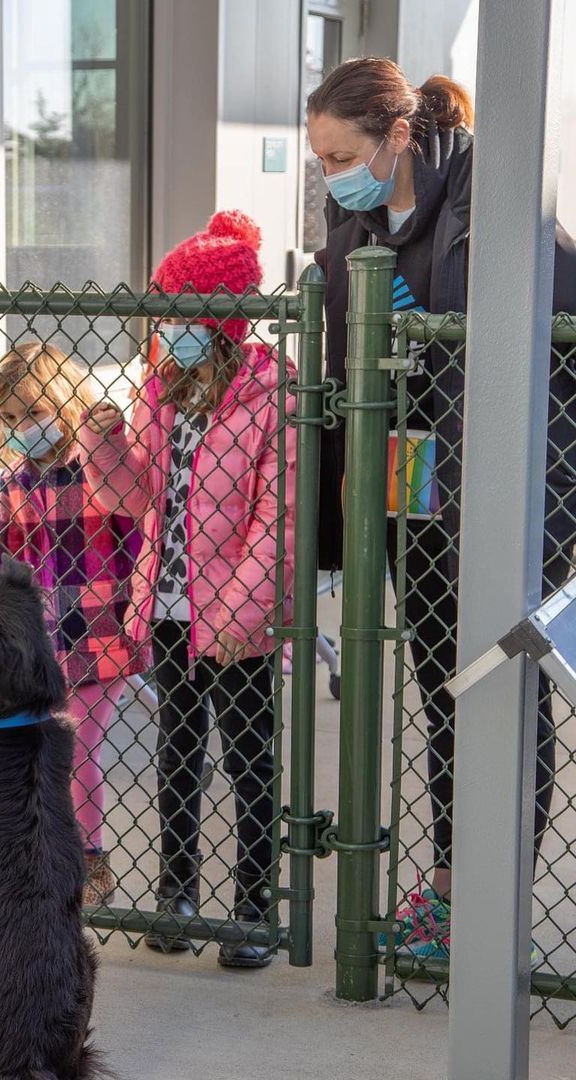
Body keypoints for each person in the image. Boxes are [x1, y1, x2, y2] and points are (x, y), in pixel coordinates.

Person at [307, 57, 576, 956]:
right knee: (442, 689)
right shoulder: (348, 227)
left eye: (341, 153)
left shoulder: (491, 200)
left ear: (397, 136)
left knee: (505, 689)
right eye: (319, 159)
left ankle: (493, 897)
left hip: (502, 493)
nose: (331, 174)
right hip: (409, 499)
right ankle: (457, 893)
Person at [80, 211, 296, 966]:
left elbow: (280, 516)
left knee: (247, 755)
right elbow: (136, 498)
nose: (164, 331)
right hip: (168, 606)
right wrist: (104, 442)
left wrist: (243, 611)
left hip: (236, 617)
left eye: (177, 316)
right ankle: (177, 893)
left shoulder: (273, 396)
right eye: (160, 315)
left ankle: (252, 906)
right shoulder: (159, 393)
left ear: (218, 325)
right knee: (178, 748)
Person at [0, 343, 145, 906]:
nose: (22, 429)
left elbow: (135, 537)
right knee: (39, 751)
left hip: (106, 636)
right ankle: (44, 855)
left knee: (77, 745)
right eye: (9, 420)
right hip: (44, 645)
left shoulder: (95, 462)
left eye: (31, 414)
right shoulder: (13, 482)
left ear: (62, 401)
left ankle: (90, 859)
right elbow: (5, 566)